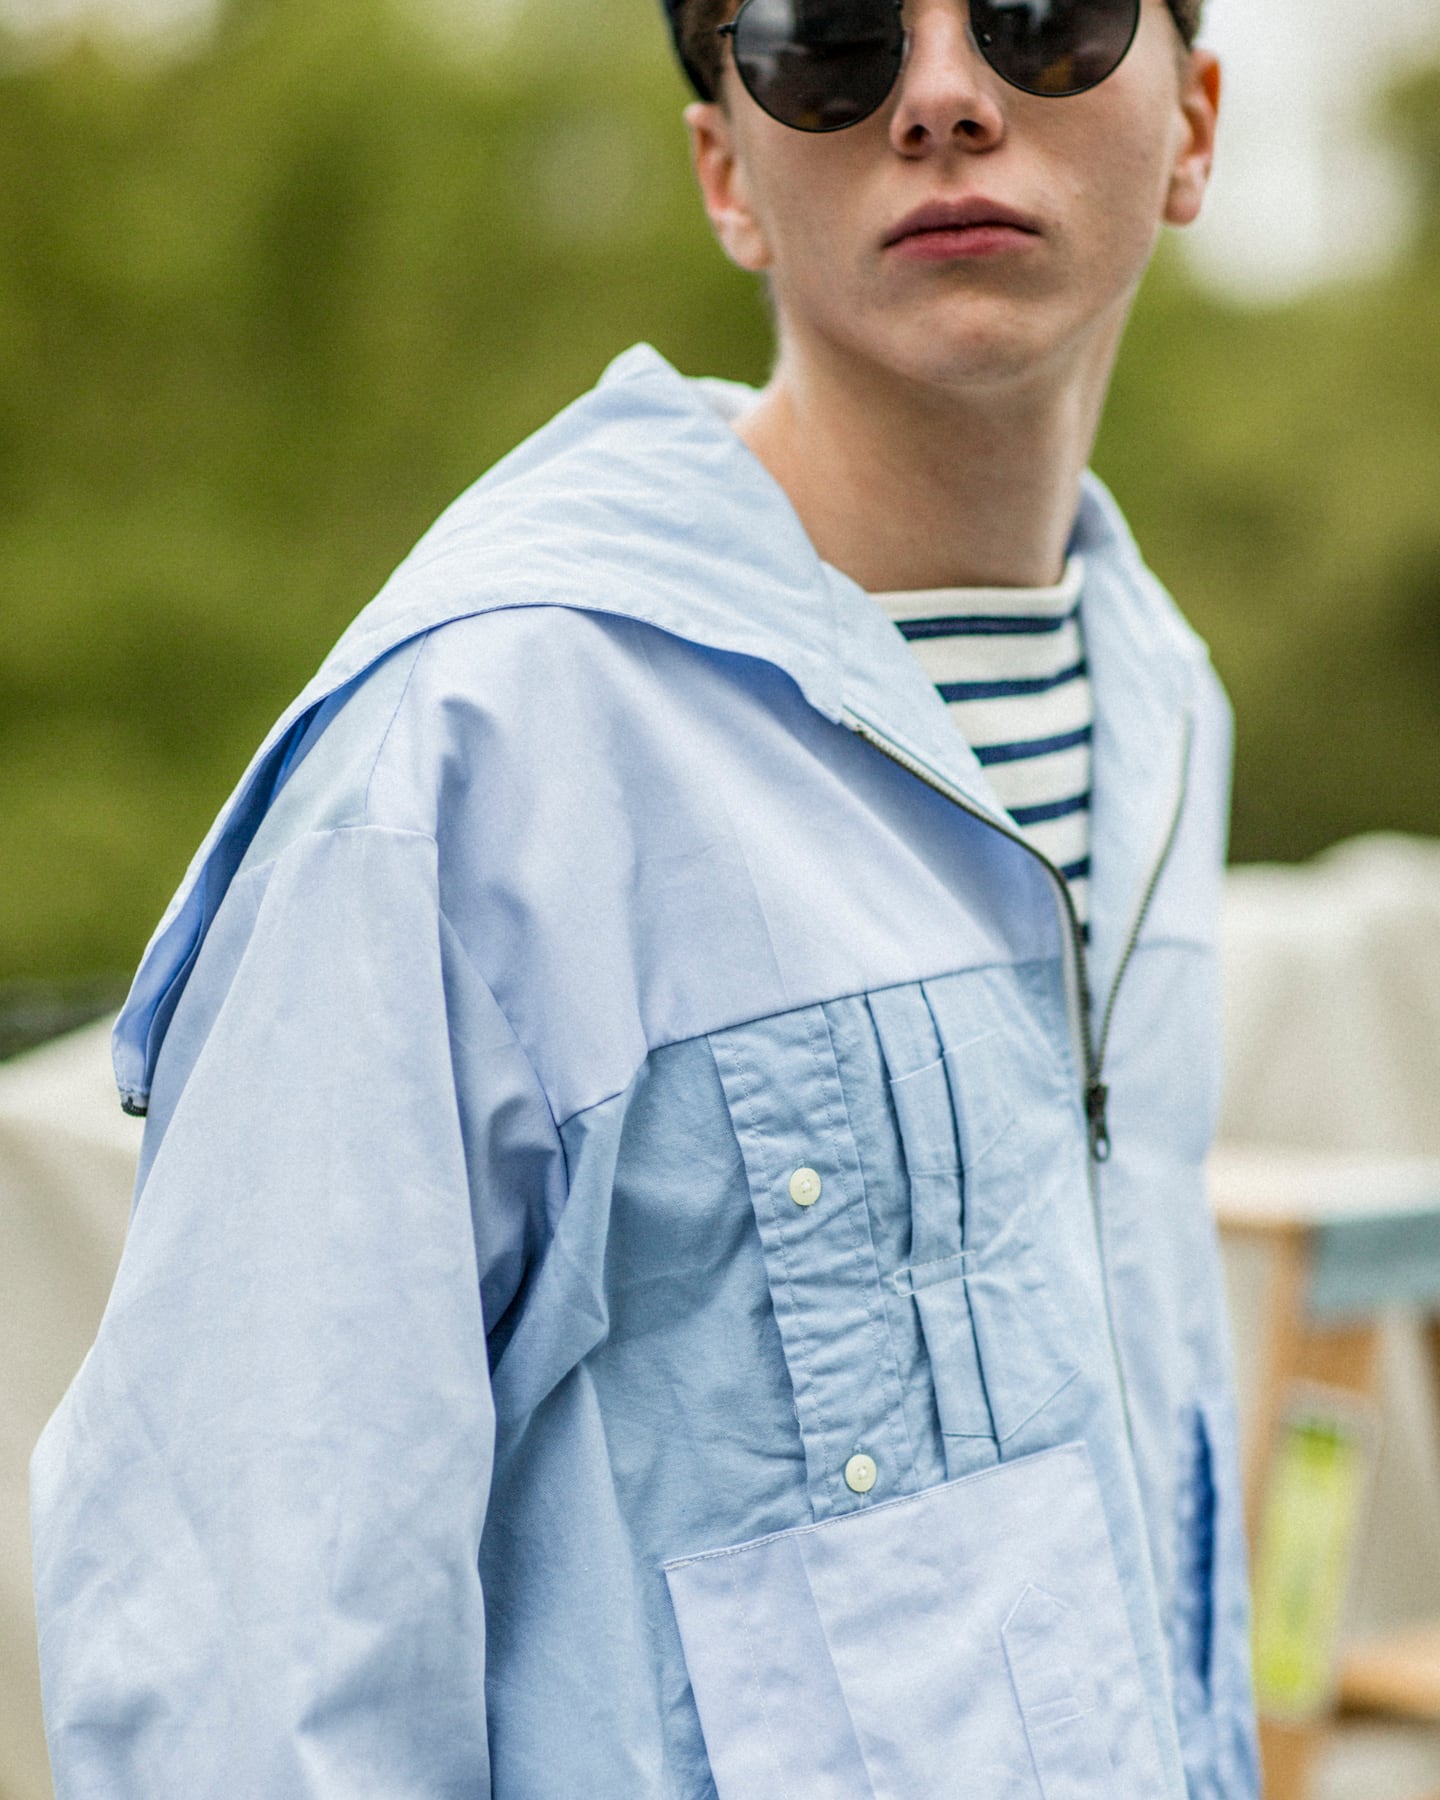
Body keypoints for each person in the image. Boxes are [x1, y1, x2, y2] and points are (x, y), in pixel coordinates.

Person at [32, 0, 1259, 1792]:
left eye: (1042, 19)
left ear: (1198, 125)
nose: (940, 98)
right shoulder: (476, 749)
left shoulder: (1162, 701)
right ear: (726, 175)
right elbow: (249, 1659)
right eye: (825, 38)